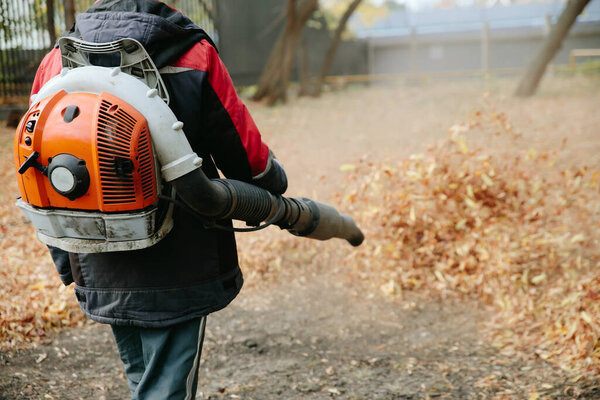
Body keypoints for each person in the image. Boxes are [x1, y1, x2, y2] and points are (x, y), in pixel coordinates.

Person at [31, 0, 288, 398]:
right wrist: (273, 180)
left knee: (143, 377)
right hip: (184, 256)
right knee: (164, 390)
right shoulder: (194, 53)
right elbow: (243, 157)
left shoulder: (58, 59)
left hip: (97, 253)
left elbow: (38, 163)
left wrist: (67, 262)